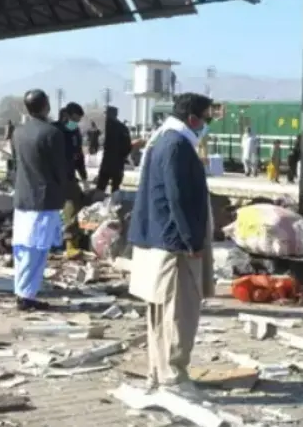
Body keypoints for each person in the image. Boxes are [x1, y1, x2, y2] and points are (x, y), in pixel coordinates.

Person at [128, 93, 214, 396]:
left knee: (161, 314)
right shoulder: (177, 146)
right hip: (174, 245)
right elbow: (178, 197)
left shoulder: (162, 140)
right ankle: (173, 378)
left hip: (158, 240)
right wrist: (192, 240)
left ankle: (158, 372)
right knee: (178, 314)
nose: (206, 124)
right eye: (206, 118)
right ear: (193, 118)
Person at [11, 89, 68, 310]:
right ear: (46, 106)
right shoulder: (52, 133)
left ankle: (22, 290)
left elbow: (16, 165)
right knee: (37, 249)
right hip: (43, 199)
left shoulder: (18, 132)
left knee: (23, 247)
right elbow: (59, 169)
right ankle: (27, 296)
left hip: (23, 196)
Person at [55, 102, 89, 258]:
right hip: (53, 176)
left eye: (78, 120)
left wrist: (84, 177)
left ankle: (70, 242)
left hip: (69, 176)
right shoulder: (54, 131)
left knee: (75, 203)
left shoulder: (75, 132)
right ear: (66, 115)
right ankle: (59, 241)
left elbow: (79, 156)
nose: (76, 123)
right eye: (74, 119)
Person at [95, 107, 132, 195]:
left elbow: (99, 141)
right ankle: (113, 206)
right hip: (118, 163)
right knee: (115, 188)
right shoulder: (123, 128)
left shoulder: (106, 126)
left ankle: (97, 205)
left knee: (101, 187)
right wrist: (123, 156)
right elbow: (128, 146)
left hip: (107, 162)